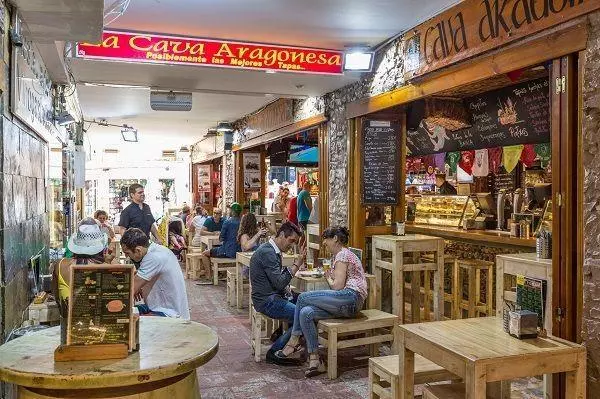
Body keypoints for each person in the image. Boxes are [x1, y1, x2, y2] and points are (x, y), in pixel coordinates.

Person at [276, 226, 367, 377]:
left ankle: (294, 340)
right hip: (345, 303)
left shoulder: (343, 254)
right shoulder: (340, 256)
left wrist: (328, 277)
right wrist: (328, 275)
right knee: (305, 313)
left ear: (336, 239)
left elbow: (337, 286)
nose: (325, 244)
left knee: (304, 297)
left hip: (351, 298)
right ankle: (315, 360)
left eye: (326, 240)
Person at [250, 222, 305, 365]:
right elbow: (279, 282)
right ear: (281, 235)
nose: (292, 245)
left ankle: (287, 338)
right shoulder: (267, 252)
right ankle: (275, 351)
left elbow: (278, 283)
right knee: (304, 315)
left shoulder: (272, 250)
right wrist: (297, 265)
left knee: (307, 301)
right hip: (266, 301)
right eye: (291, 241)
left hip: (273, 296)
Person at [120, 228, 190, 319]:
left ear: (138, 250)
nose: (126, 256)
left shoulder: (153, 257)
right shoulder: (157, 249)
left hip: (169, 312)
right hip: (160, 307)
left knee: (125, 319)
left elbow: (130, 290)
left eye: (127, 253)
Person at [55, 218, 115, 302]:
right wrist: (108, 264)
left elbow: (57, 298)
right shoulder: (108, 270)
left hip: (67, 315)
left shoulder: (60, 264)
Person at [197, 203, 242, 282]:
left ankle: (209, 276)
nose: (229, 211)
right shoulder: (243, 221)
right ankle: (221, 274)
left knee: (204, 253)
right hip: (240, 251)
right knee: (216, 250)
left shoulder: (227, 222)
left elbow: (221, 239)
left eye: (230, 209)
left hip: (227, 251)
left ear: (233, 211)